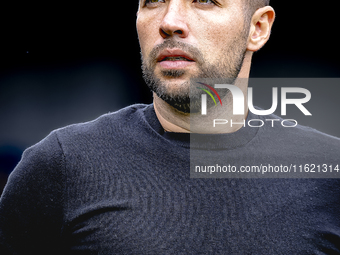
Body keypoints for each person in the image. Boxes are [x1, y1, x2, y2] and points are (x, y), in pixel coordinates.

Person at [1, 0, 340, 254]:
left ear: (258, 29)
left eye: (205, 0)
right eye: (153, 1)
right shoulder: (62, 164)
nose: (170, 22)